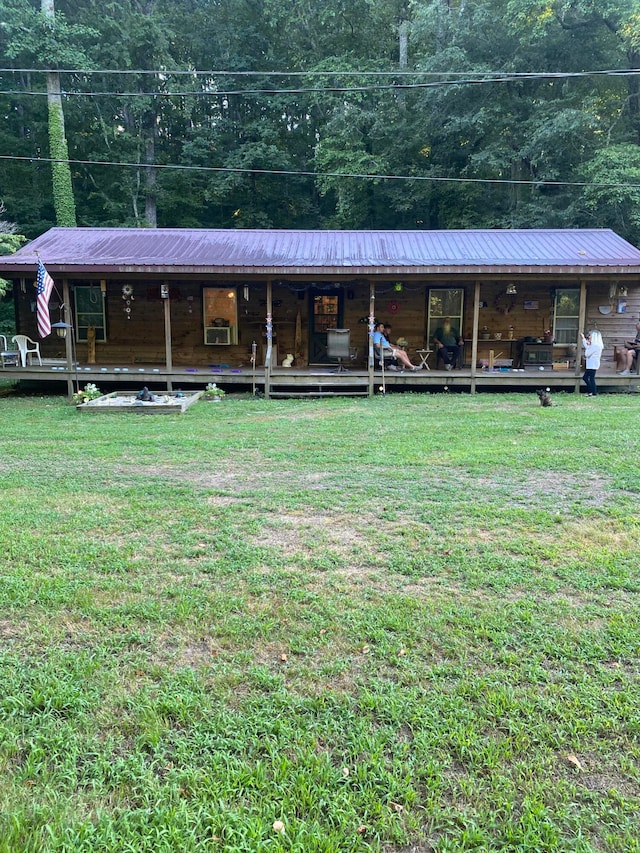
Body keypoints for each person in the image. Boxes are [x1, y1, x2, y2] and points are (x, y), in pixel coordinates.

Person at [581, 329, 603, 397]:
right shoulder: (595, 345)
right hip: (591, 364)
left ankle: (593, 393)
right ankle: (591, 392)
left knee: (590, 378)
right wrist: (583, 339)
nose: (589, 337)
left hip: (593, 364)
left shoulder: (595, 345)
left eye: (590, 335)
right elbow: (587, 347)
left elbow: (587, 354)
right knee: (587, 378)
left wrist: (588, 344)